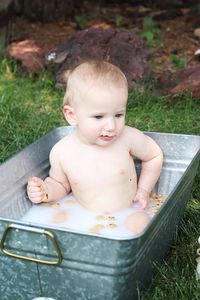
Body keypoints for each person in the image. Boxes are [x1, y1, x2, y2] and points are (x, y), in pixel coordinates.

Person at [27, 60, 163, 215]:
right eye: (99, 117)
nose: (111, 126)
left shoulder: (127, 137)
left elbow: (154, 155)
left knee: (138, 228)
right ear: (72, 116)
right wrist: (46, 191)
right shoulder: (62, 152)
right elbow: (61, 185)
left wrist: (143, 190)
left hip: (129, 213)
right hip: (87, 219)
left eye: (118, 115)